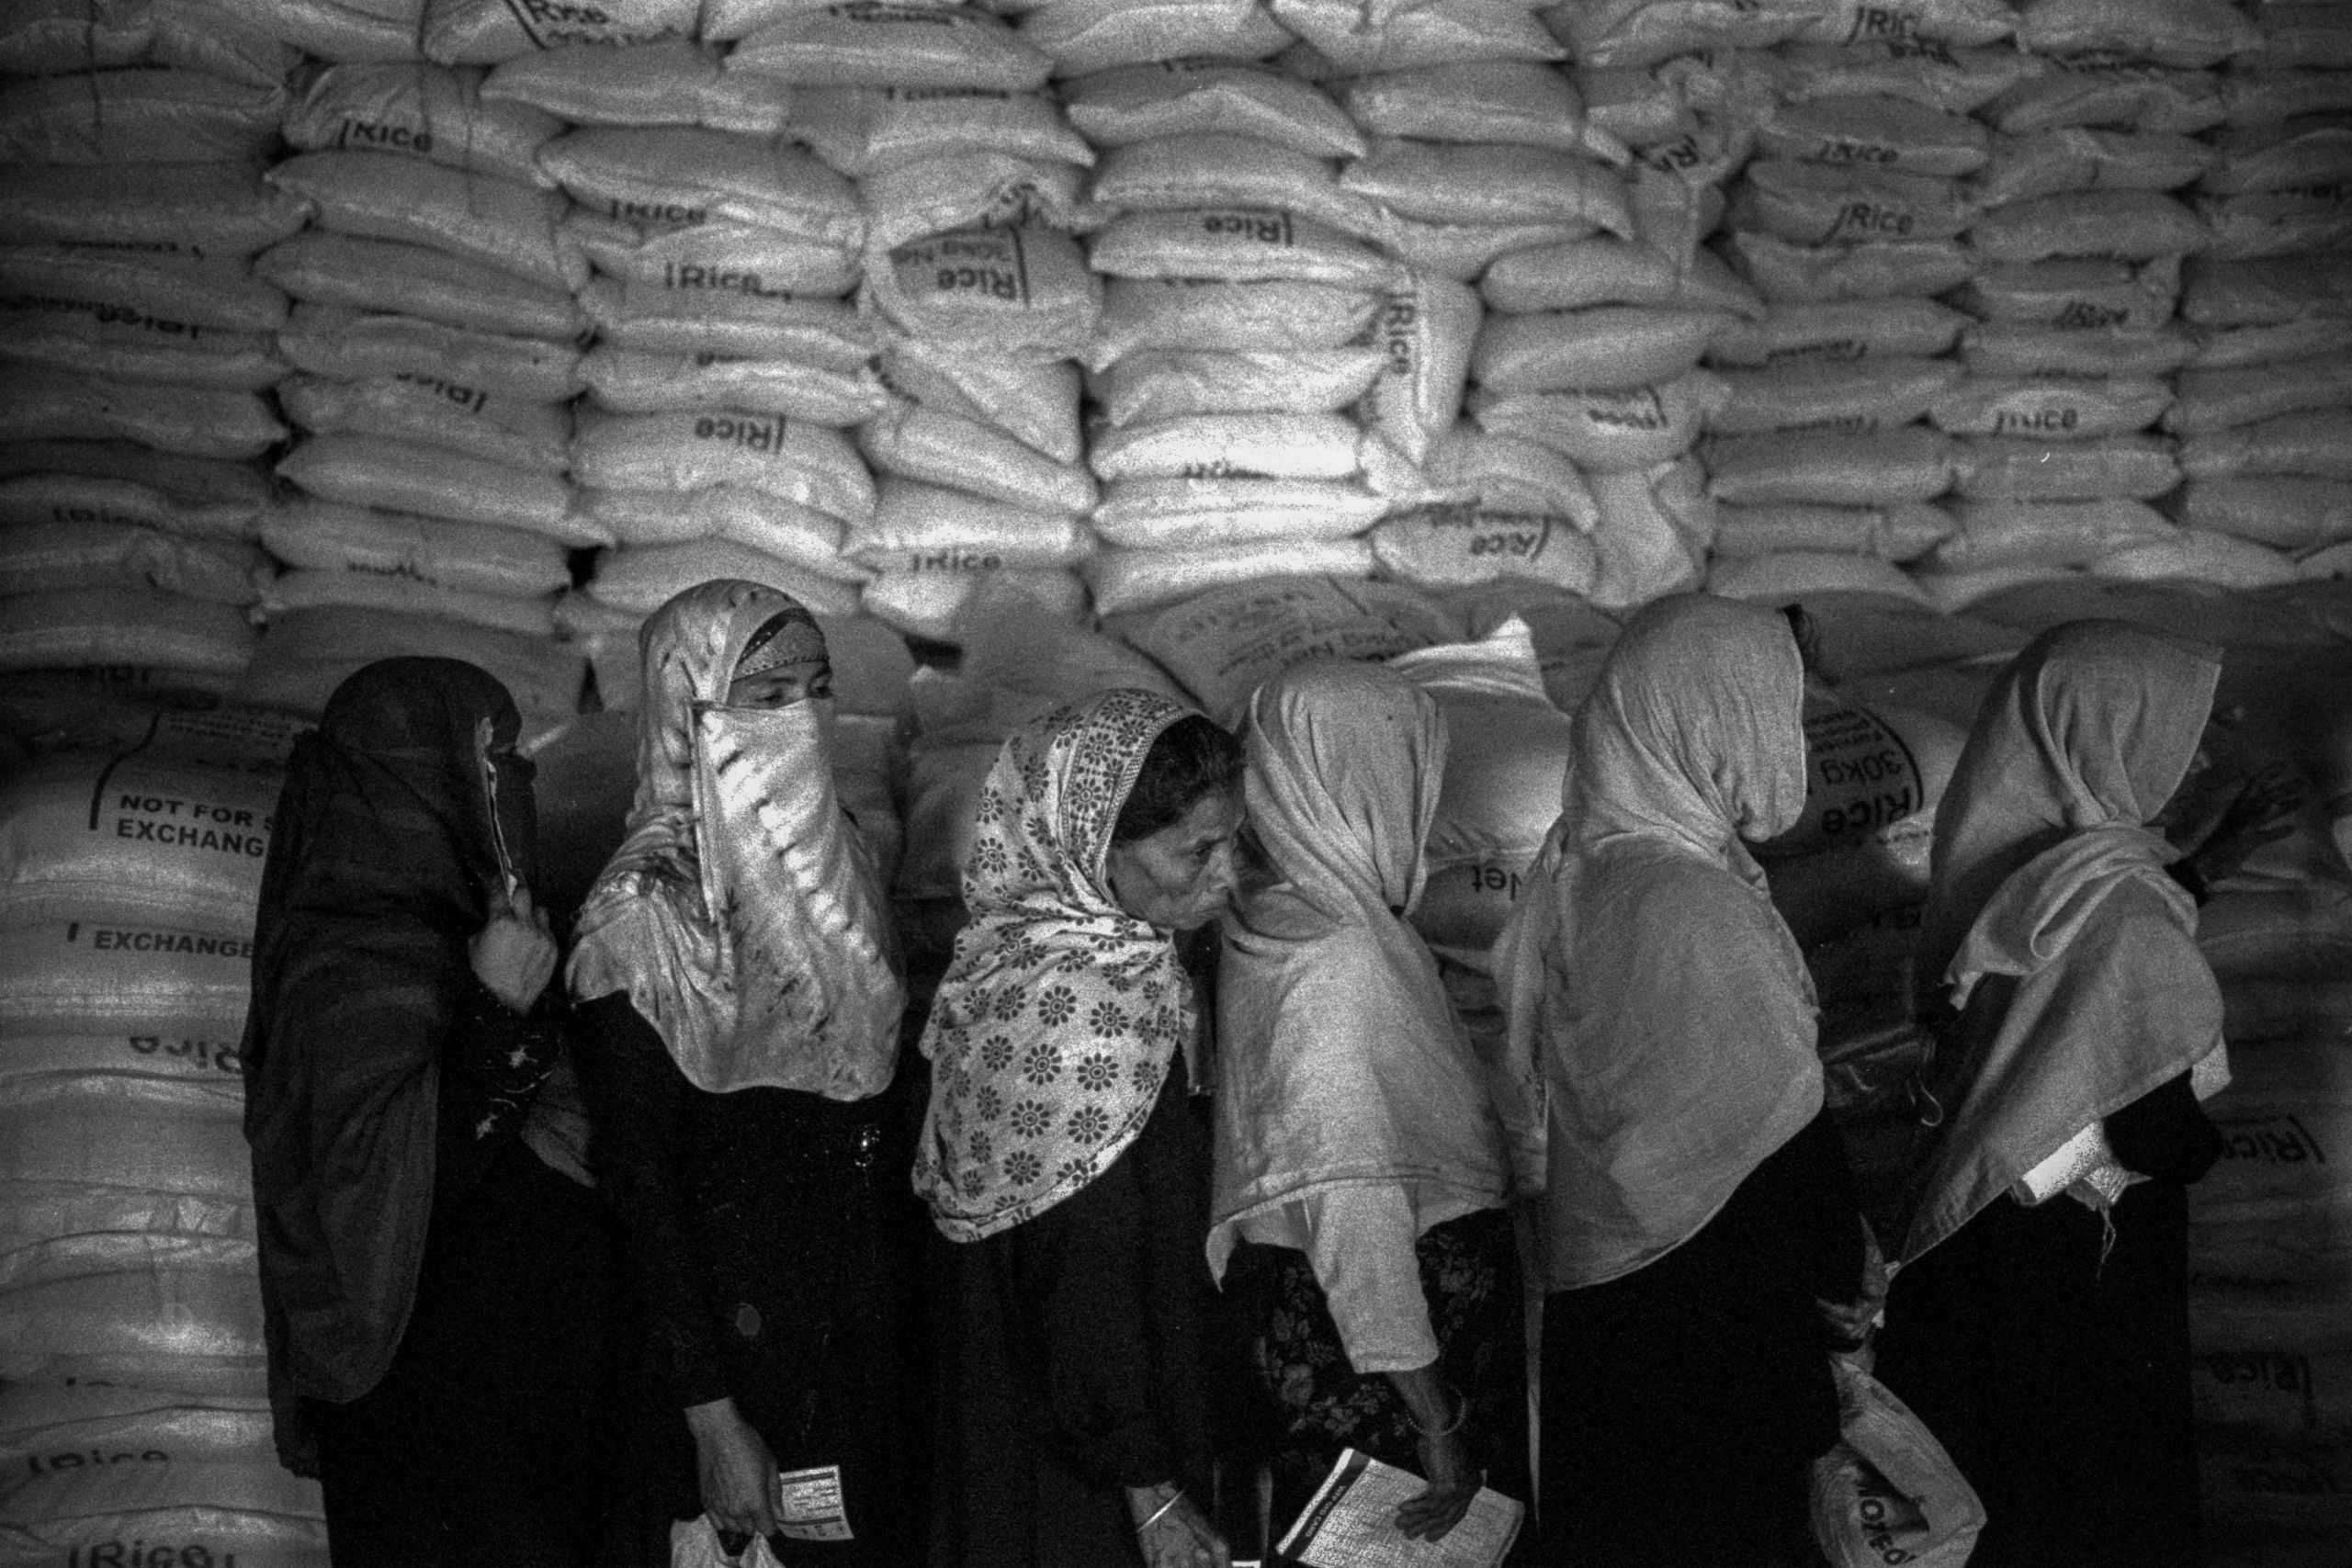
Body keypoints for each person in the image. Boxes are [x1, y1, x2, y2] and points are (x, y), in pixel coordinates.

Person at [1871, 619, 2300, 1568]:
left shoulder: (2020, 869)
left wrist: (2209, 858)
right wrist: (2208, 1143)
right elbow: (2152, 1128)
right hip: (2078, 1270)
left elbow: (2080, 958)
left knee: (2004, 1495)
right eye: (2174, 739)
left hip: (1983, 1239)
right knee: (2093, 1500)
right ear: (2102, 737)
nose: (2188, 764)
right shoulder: (2123, 909)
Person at [1491, 594, 1866, 1567]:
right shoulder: (1690, 905)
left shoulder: (1586, 863)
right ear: (1703, 724)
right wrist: (1846, 1280)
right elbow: (1777, 1142)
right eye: (1769, 715)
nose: (1786, 743)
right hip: (1709, 1327)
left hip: (1613, 1308)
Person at [567, 580, 913, 1563]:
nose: (801, 718)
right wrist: (714, 1425)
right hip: (731, 1365)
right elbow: (640, 1188)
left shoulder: (843, 860)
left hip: (852, 1329)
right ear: (690, 709)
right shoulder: (640, 916)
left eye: (816, 688)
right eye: (763, 699)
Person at [243, 656, 616, 1567]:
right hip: (421, 1412)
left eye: (510, 765)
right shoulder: (338, 966)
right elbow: (374, 1199)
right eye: (475, 768)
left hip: (527, 1404)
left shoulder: (506, 934)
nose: (501, 794)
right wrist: (493, 1010)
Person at [916, 689, 1248, 1568]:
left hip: (1039, 1420)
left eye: (1234, 842)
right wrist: (1150, 1495)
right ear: (1093, 846)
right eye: (1199, 851)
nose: (1231, 877)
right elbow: (1082, 1277)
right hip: (1086, 1472)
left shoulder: (1015, 965)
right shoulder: (1078, 1022)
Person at [1209, 660, 1529, 1550]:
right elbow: (1352, 1203)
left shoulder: (1270, 916)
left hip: (1344, 1338)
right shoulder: (1334, 960)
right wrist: (1437, 1427)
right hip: (1384, 1366)